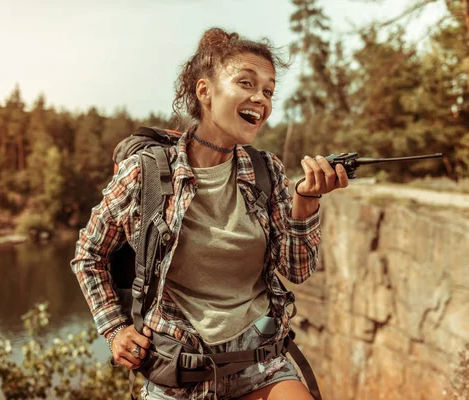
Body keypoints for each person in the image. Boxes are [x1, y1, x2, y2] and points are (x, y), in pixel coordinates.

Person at [71, 27, 349, 400]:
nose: (260, 98)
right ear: (205, 91)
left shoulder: (267, 170)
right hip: (179, 376)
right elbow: (89, 255)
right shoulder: (146, 172)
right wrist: (115, 328)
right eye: (246, 83)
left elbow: (296, 269)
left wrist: (305, 202)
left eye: (268, 90)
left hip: (261, 362)